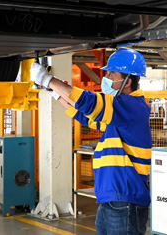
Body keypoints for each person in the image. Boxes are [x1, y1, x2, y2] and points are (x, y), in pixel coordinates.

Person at [30, 47, 151, 235]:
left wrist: (49, 80)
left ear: (127, 81)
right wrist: (56, 93)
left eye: (111, 74)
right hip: (112, 198)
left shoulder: (132, 107)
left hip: (125, 199)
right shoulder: (119, 114)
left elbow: (92, 103)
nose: (106, 77)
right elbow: (87, 116)